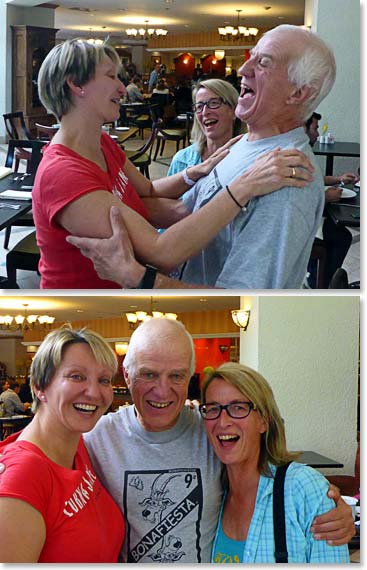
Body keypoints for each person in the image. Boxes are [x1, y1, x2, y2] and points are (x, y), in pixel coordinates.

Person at [68, 25, 335, 289]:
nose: (242, 70)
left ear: (298, 93)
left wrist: (138, 278)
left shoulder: (287, 180)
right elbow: (183, 210)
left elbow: (240, 302)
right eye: (250, 57)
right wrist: (92, 202)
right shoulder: (242, 144)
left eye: (264, 62)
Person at [82, 318, 354, 563]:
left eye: (176, 375)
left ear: (188, 378)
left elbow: (274, 476)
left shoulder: (211, 433)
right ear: (127, 376)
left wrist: (331, 506)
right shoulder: (95, 439)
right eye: (149, 374)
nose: (162, 390)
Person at [199, 362, 350, 563]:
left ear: (263, 421)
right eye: (213, 408)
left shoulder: (302, 489)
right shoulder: (211, 493)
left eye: (238, 407)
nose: (222, 421)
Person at [0, 327, 125, 562]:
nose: (94, 392)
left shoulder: (78, 445)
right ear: (40, 386)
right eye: (77, 376)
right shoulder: (22, 476)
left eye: (104, 380)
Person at [304, 112, 358, 287]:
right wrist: (326, 196)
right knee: (340, 236)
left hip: (311, 216)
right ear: (303, 128)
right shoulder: (298, 155)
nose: (317, 134)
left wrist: (339, 179)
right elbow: (296, 195)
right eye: (315, 128)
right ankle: (319, 282)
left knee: (335, 229)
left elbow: (315, 179)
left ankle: (317, 277)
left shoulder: (304, 151)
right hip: (301, 224)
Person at [167, 79, 244, 178]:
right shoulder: (182, 160)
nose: (204, 112)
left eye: (214, 103)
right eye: (199, 107)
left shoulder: (249, 161)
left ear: (234, 111)